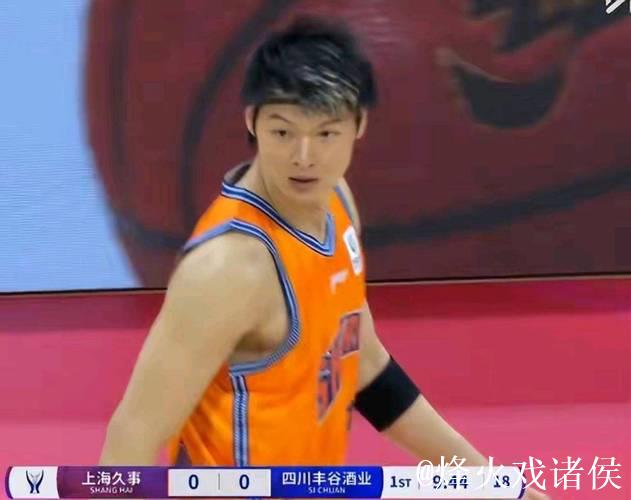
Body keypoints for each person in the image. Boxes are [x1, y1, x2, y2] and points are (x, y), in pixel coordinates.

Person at [100, 16, 547, 500]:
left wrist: (495, 485)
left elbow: (365, 365)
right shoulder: (229, 268)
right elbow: (134, 435)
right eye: (283, 132)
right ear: (251, 121)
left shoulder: (336, 203)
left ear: (359, 125)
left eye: (326, 134)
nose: (304, 157)